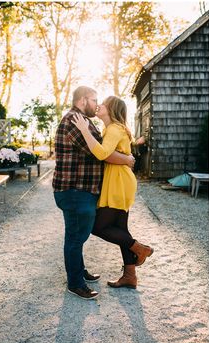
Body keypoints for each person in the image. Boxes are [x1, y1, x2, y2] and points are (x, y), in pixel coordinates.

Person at [53, 86, 135, 300]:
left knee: (78, 234)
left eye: (100, 100)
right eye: (94, 99)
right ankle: (75, 283)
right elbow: (101, 152)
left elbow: (104, 148)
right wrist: (126, 159)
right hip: (74, 190)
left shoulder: (84, 121)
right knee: (75, 235)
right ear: (83, 100)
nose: (97, 103)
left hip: (82, 189)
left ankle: (79, 272)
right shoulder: (74, 120)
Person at [72, 96, 154, 289]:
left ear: (112, 109)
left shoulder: (114, 129)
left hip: (119, 182)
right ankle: (130, 275)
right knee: (120, 229)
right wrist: (126, 159)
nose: (99, 105)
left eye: (104, 104)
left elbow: (102, 154)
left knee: (98, 227)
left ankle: (140, 249)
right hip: (119, 180)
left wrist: (84, 130)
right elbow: (109, 154)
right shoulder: (112, 129)